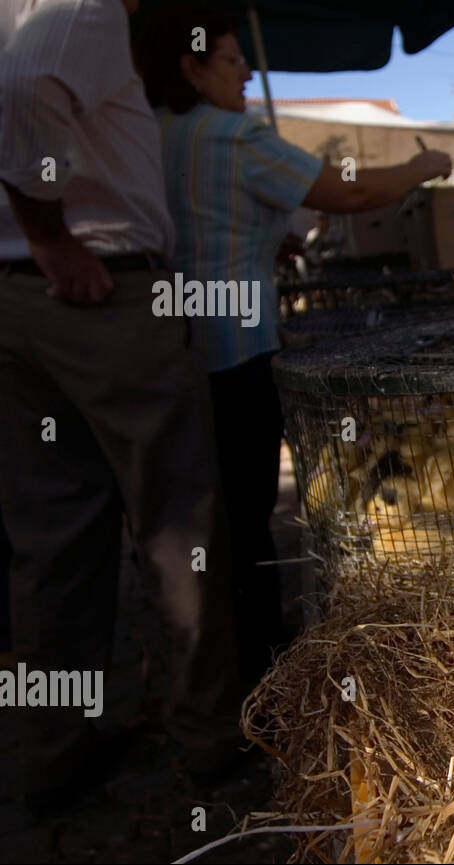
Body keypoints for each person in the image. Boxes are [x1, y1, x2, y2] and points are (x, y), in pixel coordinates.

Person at [135, 7, 453, 685]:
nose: (249, 70)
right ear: (191, 67)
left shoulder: (156, 135)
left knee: (195, 515)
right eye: (231, 59)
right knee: (246, 518)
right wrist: (426, 163)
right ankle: (254, 670)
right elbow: (355, 190)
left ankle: (205, 662)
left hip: (172, 343)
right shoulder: (233, 135)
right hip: (237, 348)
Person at [0, 0, 243, 808]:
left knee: (53, 540)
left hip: (29, 302)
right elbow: (27, 84)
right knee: (181, 525)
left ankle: (54, 749)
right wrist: (52, 238)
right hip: (98, 291)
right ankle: (208, 740)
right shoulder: (77, 6)